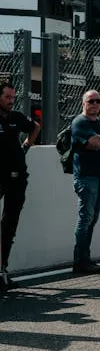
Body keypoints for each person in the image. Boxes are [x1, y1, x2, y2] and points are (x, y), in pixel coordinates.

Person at [0, 81, 40, 292]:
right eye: (7, 97)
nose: (10, 100)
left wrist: (26, 146)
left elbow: (35, 127)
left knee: (9, 224)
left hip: (17, 177)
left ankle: (2, 269)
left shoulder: (15, 117)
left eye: (12, 97)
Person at [70, 89, 100, 274]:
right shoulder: (80, 122)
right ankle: (80, 261)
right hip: (86, 177)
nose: (94, 104)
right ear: (83, 103)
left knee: (92, 219)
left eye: (97, 101)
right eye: (91, 101)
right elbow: (98, 142)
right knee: (85, 219)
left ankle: (86, 259)